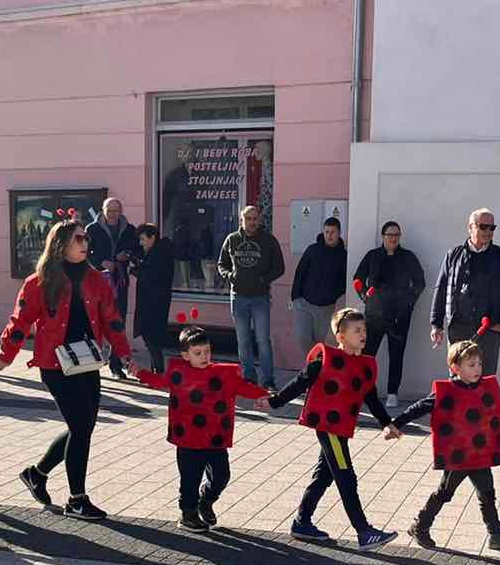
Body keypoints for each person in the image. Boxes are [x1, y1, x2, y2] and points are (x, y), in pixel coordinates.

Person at [0, 219, 130, 519]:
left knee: (82, 428)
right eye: (78, 238)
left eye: (85, 238)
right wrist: (5, 355)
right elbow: (20, 322)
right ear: (61, 244)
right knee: (81, 428)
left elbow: (112, 319)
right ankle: (77, 499)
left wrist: (125, 353)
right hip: (55, 365)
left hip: (88, 361)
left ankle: (37, 474)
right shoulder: (40, 281)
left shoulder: (97, 279)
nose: (85, 242)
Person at [389, 338, 500, 552]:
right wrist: (395, 424)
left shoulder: (487, 388)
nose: (478, 368)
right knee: (445, 492)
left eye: (479, 364)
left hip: (480, 453)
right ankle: (420, 525)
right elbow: (418, 408)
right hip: (458, 455)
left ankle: (496, 534)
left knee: (487, 493)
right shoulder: (445, 391)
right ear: (455, 368)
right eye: (471, 365)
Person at [269, 306, 399, 549]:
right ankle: (364, 531)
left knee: (324, 475)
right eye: (357, 330)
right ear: (341, 336)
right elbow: (300, 382)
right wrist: (274, 401)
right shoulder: (325, 360)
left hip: (341, 429)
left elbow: (370, 397)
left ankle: (302, 522)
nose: (364, 334)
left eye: (364, 329)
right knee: (346, 477)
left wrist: (387, 424)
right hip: (328, 428)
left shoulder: (362, 365)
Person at [133, 324, 270, 530]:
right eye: (198, 353)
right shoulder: (178, 372)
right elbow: (159, 381)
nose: (204, 356)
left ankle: (206, 500)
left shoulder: (222, 374)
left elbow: (242, 386)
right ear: (185, 355)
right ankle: (188, 513)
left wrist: (261, 394)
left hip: (214, 437)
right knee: (189, 478)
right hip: (188, 439)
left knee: (222, 475)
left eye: (207, 351)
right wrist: (140, 374)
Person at [429, 208, 500, 377]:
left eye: (492, 228)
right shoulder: (453, 255)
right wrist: (436, 324)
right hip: (458, 328)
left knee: (485, 378)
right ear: (470, 227)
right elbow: (440, 289)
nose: (488, 232)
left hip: (488, 329)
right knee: (456, 378)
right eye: (483, 227)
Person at [353, 220, 425, 411]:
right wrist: (365, 296)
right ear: (383, 236)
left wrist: (409, 302)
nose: (393, 238)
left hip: (399, 315)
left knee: (396, 354)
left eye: (396, 235)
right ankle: (364, 392)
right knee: (367, 355)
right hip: (375, 315)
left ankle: (393, 393)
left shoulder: (408, 257)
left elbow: (420, 282)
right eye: (390, 235)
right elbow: (358, 278)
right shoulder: (373, 256)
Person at [216, 205, 285, 392]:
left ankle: (268, 379)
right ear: (242, 220)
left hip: (260, 297)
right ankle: (248, 377)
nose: (252, 222)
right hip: (238, 297)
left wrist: (263, 279)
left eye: (255, 219)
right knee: (243, 339)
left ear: (259, 220)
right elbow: (221, 264)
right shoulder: (232, 240)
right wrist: (230, 276)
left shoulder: (269, 241)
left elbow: (279, 267)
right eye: (248, 219)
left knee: (262, 339)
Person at [86, 199, 137, 378]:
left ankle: (115, 365)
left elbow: (136, 249)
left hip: (119, 279)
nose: (112, 214)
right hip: (99, 280)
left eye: (116, 211)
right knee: (96, 320)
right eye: (109, 210)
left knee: (118, 321)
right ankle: (93, 361)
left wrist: (127, 255)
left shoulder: (130, 230)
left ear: (121, 211)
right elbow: (85, 252)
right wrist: (101, 262)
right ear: (103, 210)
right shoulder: (92, 229)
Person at [290, 218, 347, 356]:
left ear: (339, 233)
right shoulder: (313, 250)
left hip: (325, 307)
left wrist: (332, 296)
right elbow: (300, 273)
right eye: (327, 231)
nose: (329, 235)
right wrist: (295, 298)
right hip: (304, 303)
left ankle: (315, 369)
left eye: (333, 232)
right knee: (302, 337)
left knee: (318, 341)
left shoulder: (343, 255)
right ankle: (313, 366)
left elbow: (344, 281)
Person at [128, 224, 175, 373]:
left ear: (152, 238)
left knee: (151, 338)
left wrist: (133, 270)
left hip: (154, 303)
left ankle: (159, 371)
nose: (141, 243)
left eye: (143, 239)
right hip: (153, 302)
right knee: (151, 338)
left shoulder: (160, 253)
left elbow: (151, 275)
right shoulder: (155, 251)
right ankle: (157, 370)